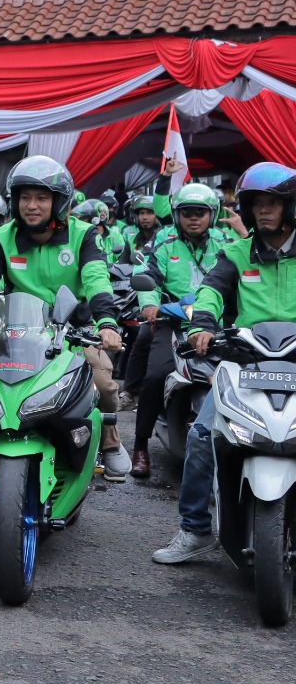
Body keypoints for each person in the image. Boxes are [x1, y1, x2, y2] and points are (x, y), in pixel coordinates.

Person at [0, 156, 125, 537]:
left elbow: (96, 279)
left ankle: (108, 442)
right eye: (25, 197)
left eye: (42, 197)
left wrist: (107, 322)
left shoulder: (83, 235)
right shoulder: (2, 237)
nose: (32, 205)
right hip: (15, 334)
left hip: (73, 333)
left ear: (59, 201)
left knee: (104, 385)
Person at [155, 162, 296, 564]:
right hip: (244, 362)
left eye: (273, 203)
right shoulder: (234, 253)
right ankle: (196, 528)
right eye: (256, 204)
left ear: (290, 207)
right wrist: (202, 324)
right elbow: (211, 292)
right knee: (203, 435)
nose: (264, 210)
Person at [130, 182, 229, 481]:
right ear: (177, 215)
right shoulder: (166, 243)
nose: (194, 218)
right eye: (187, 212)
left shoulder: (226, 244)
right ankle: (140, 446)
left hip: (216, 324)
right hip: (174, 322)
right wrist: (149, 304)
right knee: (156, 376)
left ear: (213, 214)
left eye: (200, 212)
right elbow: (149, 276)